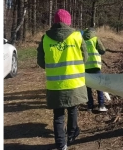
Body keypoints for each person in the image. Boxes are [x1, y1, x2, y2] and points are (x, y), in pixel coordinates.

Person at [37, 9, 88, 150]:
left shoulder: (45, 38)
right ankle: (72, 134)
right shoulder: (77, 36)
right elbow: (85, 58)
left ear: (55, 22)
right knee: (73, 109)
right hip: (74, 82)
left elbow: (41, 62)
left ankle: (61, 145)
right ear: (68, 22)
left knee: (58, 115)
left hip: (55, 85)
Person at [81, 27, 108, 112]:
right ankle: (101, 105)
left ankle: (90, 106)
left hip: (85, 67)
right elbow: (102, 50)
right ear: (93, 32)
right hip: (95, 65)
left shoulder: (81, 40)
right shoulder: (95, 39)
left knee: (88, 88)